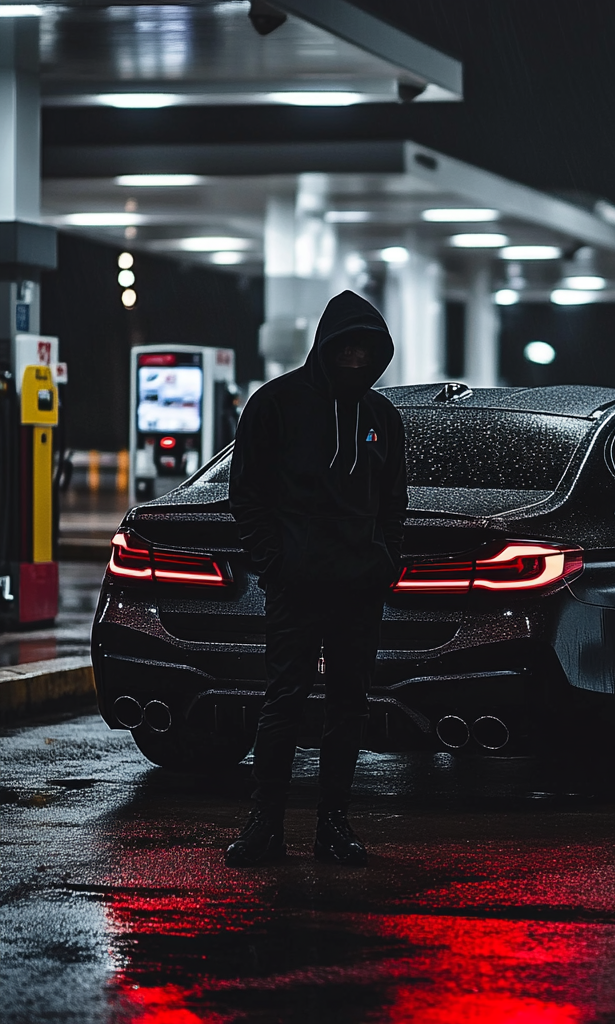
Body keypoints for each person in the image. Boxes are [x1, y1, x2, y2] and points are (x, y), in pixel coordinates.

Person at [225, 290, 406, 867]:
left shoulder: (382, 417)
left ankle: (333, 826)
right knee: (283, 703)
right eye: (346, 345)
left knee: (349, 708)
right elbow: (246, 495)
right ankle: (266, 826)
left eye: (365, 348)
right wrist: (275, 564)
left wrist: (385, 561)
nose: (355, 357)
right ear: (325, 346)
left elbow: (394, 504)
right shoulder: (275, 405)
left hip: (358, 590)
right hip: (296, 589)